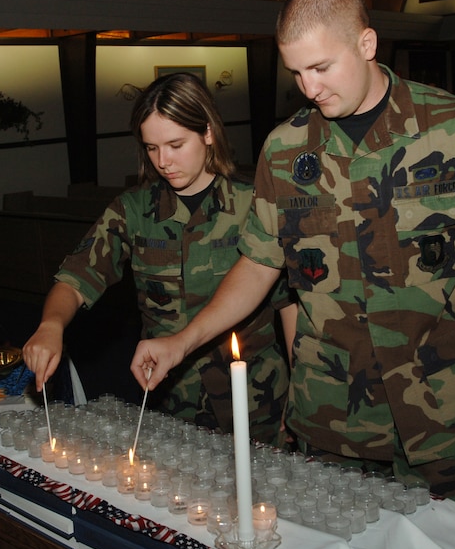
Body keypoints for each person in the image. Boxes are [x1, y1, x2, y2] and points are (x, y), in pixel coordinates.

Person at [130, 0, 455, 542]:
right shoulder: (285, 149)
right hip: (334, 419)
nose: (308, 87)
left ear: (366, 44)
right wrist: (181, 341)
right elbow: (257, 265)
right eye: (296, 72)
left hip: (445, 410)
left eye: (321, 67)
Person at [23, 72, 293, 445]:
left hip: (257, 396)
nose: (163, 161)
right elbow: (74, 278)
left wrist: (299, 392)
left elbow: (289, 304)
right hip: (173, 397)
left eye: (176, 144)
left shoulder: (254, 203)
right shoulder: (134, 210)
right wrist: (51, 325)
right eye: (151, 148)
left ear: (209, 133)